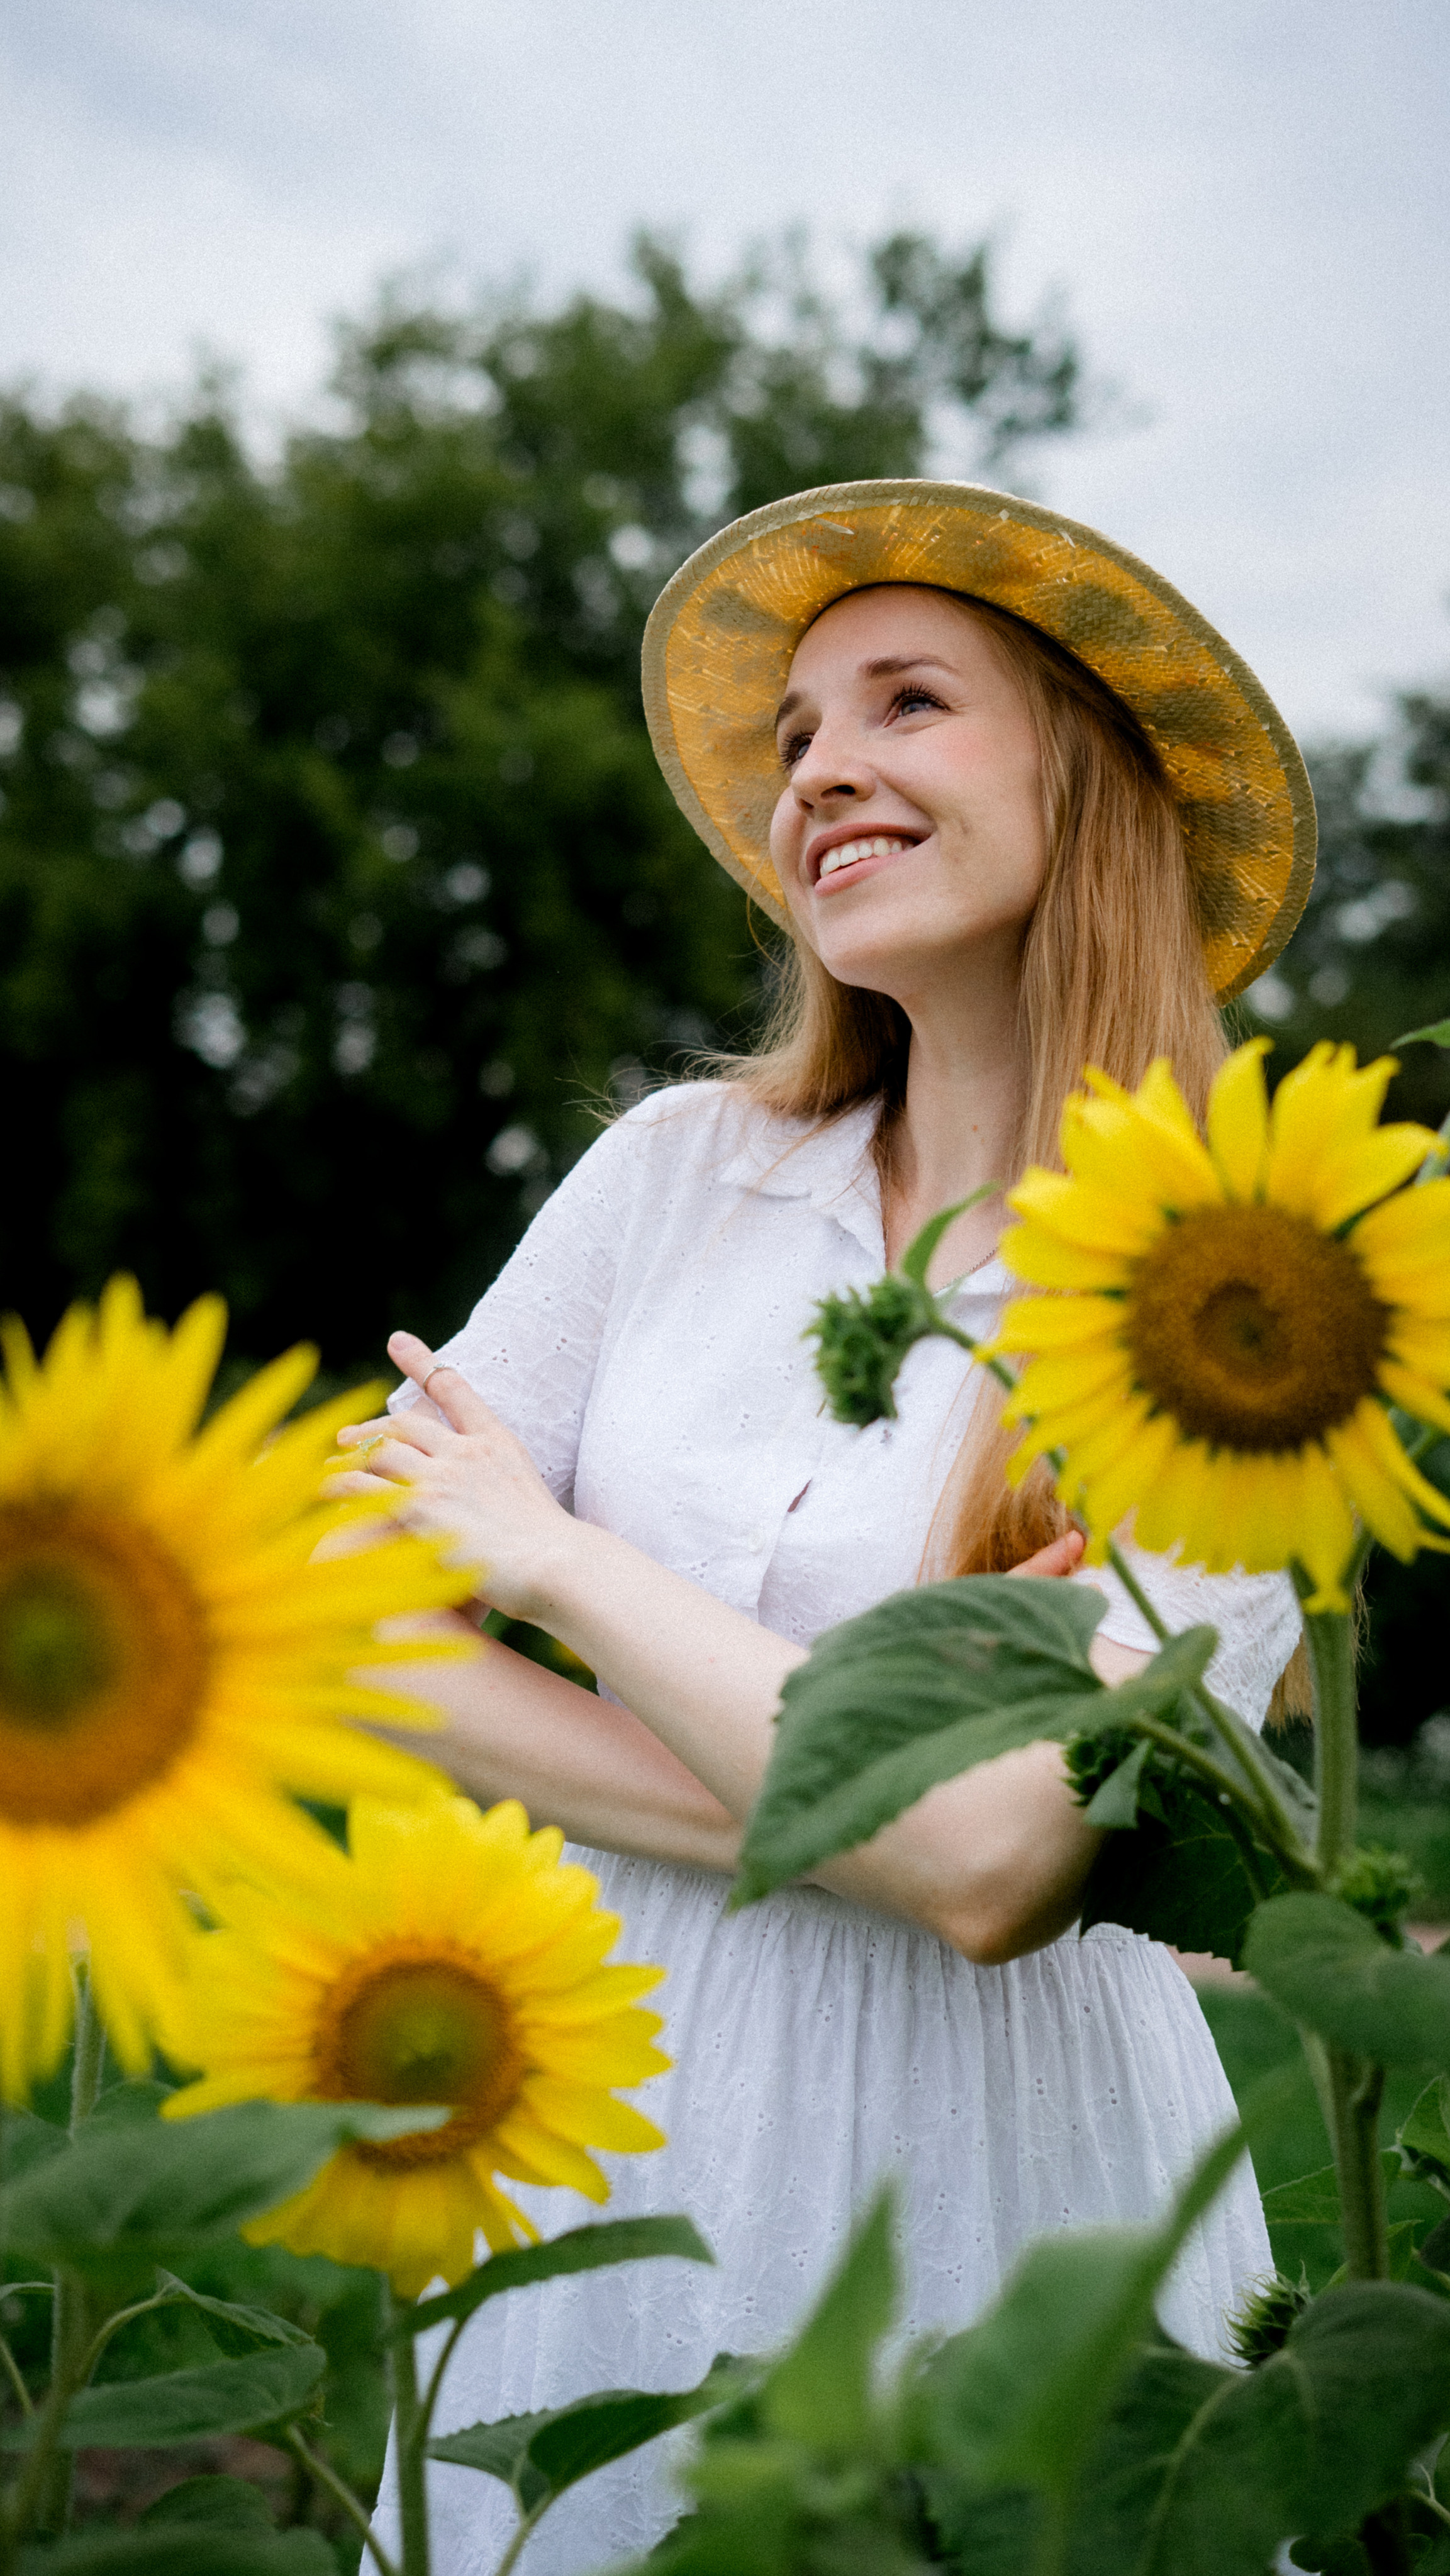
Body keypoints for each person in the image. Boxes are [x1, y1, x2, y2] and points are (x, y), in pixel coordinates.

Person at [341, 481, 1312, 2573]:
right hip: (615, 2113)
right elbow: (334, 1625)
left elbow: (990, 1869)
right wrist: (851, 1802)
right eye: (793, 732)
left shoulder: (1246, 1292)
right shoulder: (675, 1174)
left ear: (1085, 774)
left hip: (1006, 2157)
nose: (820, 773)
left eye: (906, 703)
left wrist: (550, 1560)